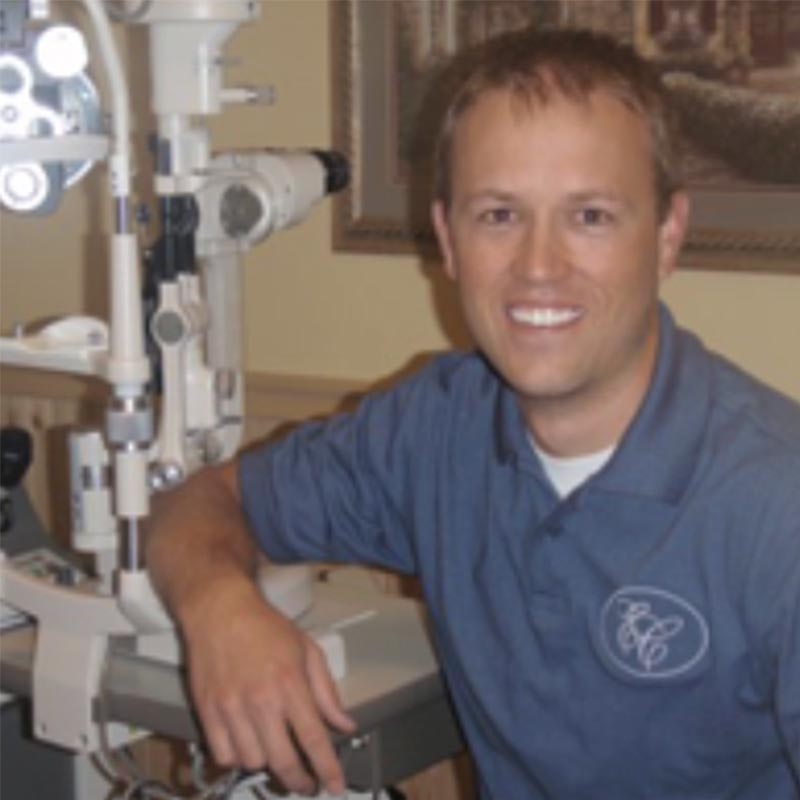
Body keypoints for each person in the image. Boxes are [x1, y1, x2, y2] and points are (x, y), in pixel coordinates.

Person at [145, 27, 800, 799]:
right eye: (498, 215)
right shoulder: (435, 426)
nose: (539, 267)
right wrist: (219, 608)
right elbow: (198, 503)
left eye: (589, 216)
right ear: (448, 240)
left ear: (667, 237)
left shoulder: (774, 505)